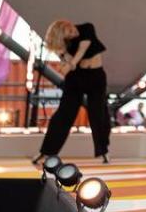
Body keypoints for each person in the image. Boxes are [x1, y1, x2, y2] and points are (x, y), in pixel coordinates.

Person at [34, 20, 111, 164]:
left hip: (96, 76)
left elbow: (82, 49)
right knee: (64, 113)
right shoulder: (65, 44)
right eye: (68, 34)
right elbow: (67, 61)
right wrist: (66, 59)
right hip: (76, 77)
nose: (72, 33)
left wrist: (71, 64)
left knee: (98, 113)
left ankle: (103, 151)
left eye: (70, 30)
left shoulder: (87, 28)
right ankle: (47, 151)